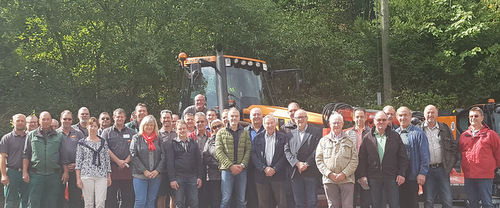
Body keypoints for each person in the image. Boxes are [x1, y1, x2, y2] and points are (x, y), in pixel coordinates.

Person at [358, 111, 408, 208]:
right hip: (374, 178)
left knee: (394, 205)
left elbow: (403, 157)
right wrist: (362, 175)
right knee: (377, 205)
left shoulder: (395, 136)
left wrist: (401, 173)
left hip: (392, 177)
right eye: (379, 120)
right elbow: (362, 158)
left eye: (384, 120)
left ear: (387, 122)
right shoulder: (367, 137)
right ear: (374, 121)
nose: (381, 122)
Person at [22, 111, 70, 208]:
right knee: (34, 201)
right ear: (39, 121)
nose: (46, 121)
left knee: (51, 201)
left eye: (48, 119)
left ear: (51, 120)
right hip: (36, 175)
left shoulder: (59, 136)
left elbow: (63, 156)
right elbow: (26, 155)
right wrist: (24, 172)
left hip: (53, 175)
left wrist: (66, 172)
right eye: (43, 119)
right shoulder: (31, 135)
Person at [459, 107, 500, 208]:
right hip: (469, 176)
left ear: (482, 118)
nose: (473, 118)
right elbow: (461, 153)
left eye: (476, 116)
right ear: (468, 118)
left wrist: (490, 168)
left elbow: (498, 154)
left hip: (485, 176)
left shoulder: (491, 135)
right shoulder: (464, 136)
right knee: (472, 204)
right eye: (471, 116)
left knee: (487, 203)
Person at [418, 105, 458, 208]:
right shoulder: (418, 130)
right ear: (424, 114)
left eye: (432, 112)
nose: (430, 115)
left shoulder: (444, 128)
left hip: (442, 169)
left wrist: (449, 165)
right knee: (428, 201)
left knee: (448, 201)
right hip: (427, 170)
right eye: (428, 112)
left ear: (437, 114)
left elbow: (454, 148)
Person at [316, 114, 358, 208]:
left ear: (342, 124)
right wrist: (329, 173)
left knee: (348, 206)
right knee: (332, 205)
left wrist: (344, 174)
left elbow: (354, 160)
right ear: (330, 124)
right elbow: (319, 160)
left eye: (338, 123)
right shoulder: (323, 141)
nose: (336, 125)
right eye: (334, 123)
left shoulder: (350, 141)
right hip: (329, 179)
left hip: (347, 179)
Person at [284, 109, 322, 208]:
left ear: (307, 118)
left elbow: (317, 150)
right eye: (297, 118)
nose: (300, 119)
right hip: (295, 172)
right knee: (299, 203)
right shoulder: (290, 134)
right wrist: (297, 163)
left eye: (302, 117)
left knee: (312, 202)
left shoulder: (316, 132)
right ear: (294, 120)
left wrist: (306, 164)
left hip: (311, 171)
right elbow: (287, 151)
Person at [216, 107, 251, 208]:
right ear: (227, 117)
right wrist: (231, 166)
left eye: (236, 116)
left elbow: (248, 150)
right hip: (227, 170)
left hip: (241, 170)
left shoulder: (245, 132)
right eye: (232, 116)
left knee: (241, 200)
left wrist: (242, 165)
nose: (234, 118)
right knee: (226, 199)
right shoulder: (221, 132)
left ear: (239, 117)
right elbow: (219, 151)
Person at [395, 107, 429, 208]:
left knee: (412, 202)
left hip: (412, 174)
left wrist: (422, 173)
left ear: (410, 116)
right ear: (397, 117)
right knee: (400, 202)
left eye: (405, 115)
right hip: (398, 174)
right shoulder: (395, 134)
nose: (403, 117)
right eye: (400, 115)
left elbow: (425, 155)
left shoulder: (419, 134)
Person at [101, 108, 136, 208]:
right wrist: (118, 161)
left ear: (125, 118)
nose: (120, 118)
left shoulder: (132, 132)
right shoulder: (107, 132)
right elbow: (105, 148)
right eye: (117, 116)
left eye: (122, 116)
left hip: (128, 169)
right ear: (113, 117)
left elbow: (135, 149)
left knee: (128, 198)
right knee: (111, 198)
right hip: (111, 170)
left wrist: (125, 162)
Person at [251, 115, 288, 208]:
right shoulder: (257, 138)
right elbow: (253, 155)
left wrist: (275, 169)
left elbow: (285, 155)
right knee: (263, 204)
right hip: (261, 175)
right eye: (267, 123)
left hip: (278, 175)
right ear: (264, 124)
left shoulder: (283, 137)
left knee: (282, 203)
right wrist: (264, 168)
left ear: (275, 124)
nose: (270, 125)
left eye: (272, 123)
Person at [75, 117, 112, 208]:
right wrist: (78, 178)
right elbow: (78, 161)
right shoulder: (82, 143)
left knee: (100, 202)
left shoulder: (103, 142)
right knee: (88, 203)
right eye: (91, 126)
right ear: (87, 127)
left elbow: (107, 160)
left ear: (97, 128)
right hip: (87, 175)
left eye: (95, 126)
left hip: (101, 175)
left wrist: (109, 176)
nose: (93, 128)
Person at [130, 115, 165, 208]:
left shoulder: (158, 139)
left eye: (151, 125)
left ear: (155, 127)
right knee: (140, 201)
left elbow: (163, 156)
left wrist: (157, 170)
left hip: (155, 175)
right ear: (143, 126)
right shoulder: (137, 138)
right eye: (147, 125)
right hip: (140, 175)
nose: (149, 127)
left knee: (151, 201)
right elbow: (133, 155)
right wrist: (144, 171)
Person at [167, 120, 203, 208]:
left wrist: (199, 177)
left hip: (192, 176)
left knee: (194, 201)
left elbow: (199, 161)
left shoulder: (193, 143)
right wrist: (172, 179)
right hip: (178, 177)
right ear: (176, 130)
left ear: (187, 129)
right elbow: (170, 162)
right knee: (179, 202)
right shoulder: (172, 144)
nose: (182, 130)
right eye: (180, 129)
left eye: (184, 128)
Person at [0, 114, 29, 208]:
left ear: (25, 123)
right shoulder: (7, 138)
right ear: (13, 122)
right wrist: (4, 175)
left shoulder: (30, 137)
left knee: (25, 199)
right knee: (10, 199)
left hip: (27, 172)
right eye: (18, 121)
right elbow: (2, 157)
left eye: (22, 121)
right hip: (12, 172)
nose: (20, 123)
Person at [345, 108, 372, 208]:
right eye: (357, 117)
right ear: (353, 118)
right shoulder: (347, 134)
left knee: (365, 198)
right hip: (352, 169)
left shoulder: (371, 132)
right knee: (351, 198)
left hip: (366, 169)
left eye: (361, 116)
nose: (359, 119)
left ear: (365, 118)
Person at [58, 110, 85, 208]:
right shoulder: (56, 134)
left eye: (69, 119)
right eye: (65, 119)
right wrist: (64, 167)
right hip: (60, 170)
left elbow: (84, 152)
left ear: (72, 120)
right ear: (60, 119)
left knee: (76, 198)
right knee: (60, 197)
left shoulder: (78, 133)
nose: (67, 121)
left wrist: (76, 164)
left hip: (76, 169)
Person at [244, 107, 264, 208]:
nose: (256, 117)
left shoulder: (267, 129)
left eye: (258, 114)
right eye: (254, 115)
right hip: (250, 166)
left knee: (265, 195)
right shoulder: (245, 131)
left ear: (262, 116)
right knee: (251, 193)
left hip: (264, 165)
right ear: (250, 117)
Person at [157, 110, 177, 208]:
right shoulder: (157, 135)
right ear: (161, 120)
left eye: (168, 117)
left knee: (174, 196)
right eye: (164, 118)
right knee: (162, 195)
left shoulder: (177, 134)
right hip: (162, 170)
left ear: (172, 119)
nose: (166, 120)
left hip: (175, 170)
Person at [202, 119, 224, 208]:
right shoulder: (209, 141)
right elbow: (206, 156)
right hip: (214, 175)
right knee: (215, 201)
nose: (217, 128)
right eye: (214, 127)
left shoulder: (229, 138)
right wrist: (218, 166)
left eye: (219, 126)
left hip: (229, 173)